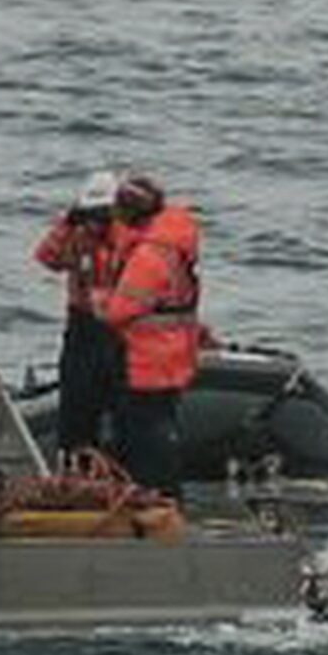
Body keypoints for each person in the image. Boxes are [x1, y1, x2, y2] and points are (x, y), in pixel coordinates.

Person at [93, 172, 204, 499]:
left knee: (146, 434)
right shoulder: (175, 243)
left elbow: (120, 311)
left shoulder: (150, 256)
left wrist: (100, 303)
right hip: (173, 353)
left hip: (147, 358)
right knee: (159, 427)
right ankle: (160, 494)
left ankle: (157, 497)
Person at [32, 171, 126, 457]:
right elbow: (47, 257)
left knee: (123, 409)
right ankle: (76, 468)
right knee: (76, 409)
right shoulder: (77, 235)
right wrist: (68, 222)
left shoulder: (129, 237)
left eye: (104, 213)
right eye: (92, 213)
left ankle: (119, 468)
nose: (97, 221)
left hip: (122, 330)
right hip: (83, 329)